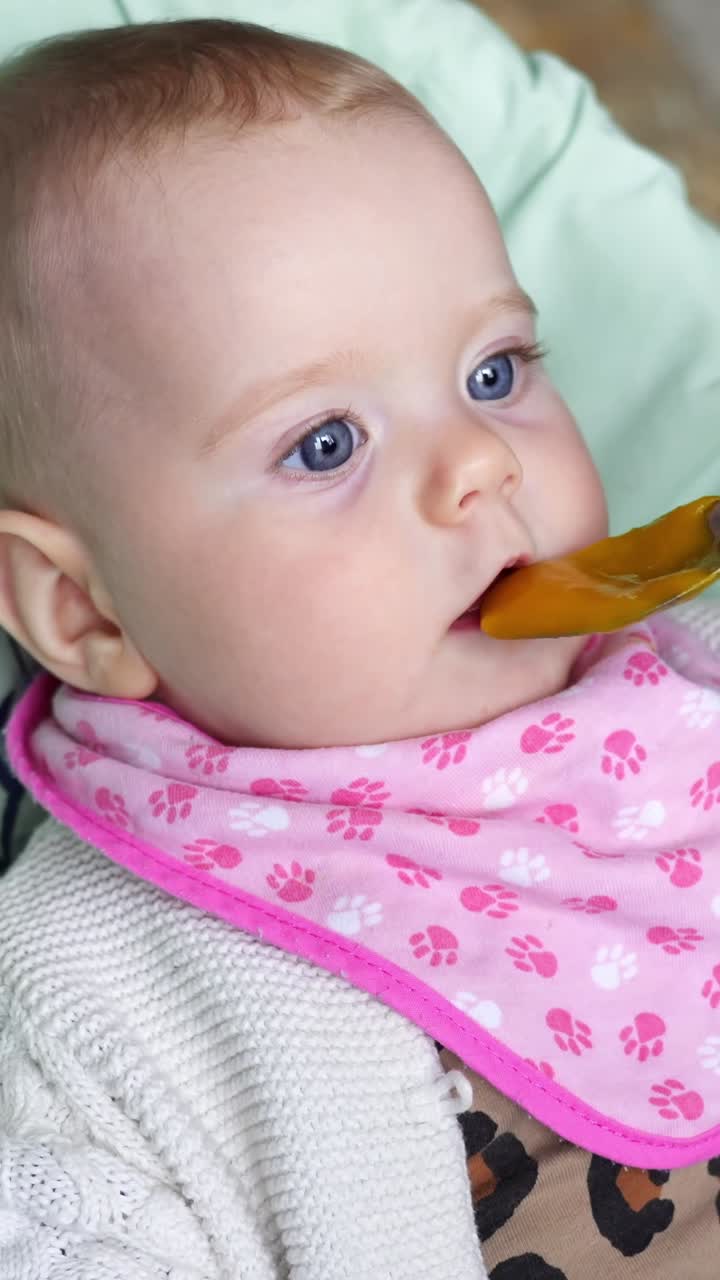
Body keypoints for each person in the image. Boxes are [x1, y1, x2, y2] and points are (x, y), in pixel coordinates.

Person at [0, 19, 718, 1279]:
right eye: (326, 443)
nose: (483, 461)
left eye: (496, 369)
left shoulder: (686, 691)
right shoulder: (78, 992)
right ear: (85, 611)